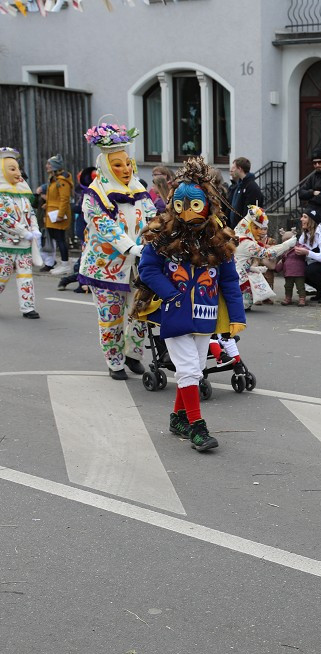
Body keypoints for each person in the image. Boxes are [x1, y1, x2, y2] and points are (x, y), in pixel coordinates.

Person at [136, 156, 247, 451]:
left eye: (195, 205)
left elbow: (229, 280)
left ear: (207, 204)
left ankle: (178, 418)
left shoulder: (218, 238)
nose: (187, 213)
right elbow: (146, 269)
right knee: (187, 370)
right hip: (175, 313)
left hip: (206, 314)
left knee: (195, 368)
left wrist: (236, 316)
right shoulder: (163, 234)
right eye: (182, 206)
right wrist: (170, 294)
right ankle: (198, 427)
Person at [78, 123, 157, 379]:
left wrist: (160, 239)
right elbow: (104, 227)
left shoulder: (139, 190)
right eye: (118, 165)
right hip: (106, 268)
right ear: (105, 166)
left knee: (140, 311)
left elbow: (153, 217)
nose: (125, 170)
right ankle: (114, 360)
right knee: (111, 317)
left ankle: (134, 354)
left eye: (127, 163)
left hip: (139, 264)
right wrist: (131, 247)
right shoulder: (94, 196)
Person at [0, 146, 41, 319]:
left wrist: (36, 230)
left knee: (26, 276)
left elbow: (31, 214)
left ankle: (28, 307)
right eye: (12, 169)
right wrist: (23, 232)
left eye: (17, 168)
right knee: (1, 277)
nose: (18, 173)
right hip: (4, 245)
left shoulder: (23, 195)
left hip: (24, 245)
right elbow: (3, 218)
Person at [233, 205, 295, 309]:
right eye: (256, 228)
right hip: (238, 281)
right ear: (248, 226)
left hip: (235, 276)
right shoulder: (246, 242)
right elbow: (267, 253)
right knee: (242, 306)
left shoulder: (237, 236)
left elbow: (238, 261)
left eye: (262, 228)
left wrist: (252, 268)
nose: (262, 232)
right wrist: (286, 245)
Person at [42, 154, 74, 274]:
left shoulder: (62, 181)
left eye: (49, 164)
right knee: (57, 238)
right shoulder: (54, 179)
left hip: (58, 215)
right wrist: (47, 204)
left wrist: (60, 214)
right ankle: (62, 263)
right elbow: (55, 197)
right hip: (52, 213)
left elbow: (64, 199)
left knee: (61, 239)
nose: (47, 166)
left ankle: (65, 264)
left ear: (55, 166)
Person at [226, 157, 264, 228]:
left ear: (240, 169)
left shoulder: (252, 187)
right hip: (235, 228)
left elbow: (251, 212)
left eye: (234, 168)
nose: (231, 170)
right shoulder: (239, 186)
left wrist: (243, 227)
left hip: (244, 230)